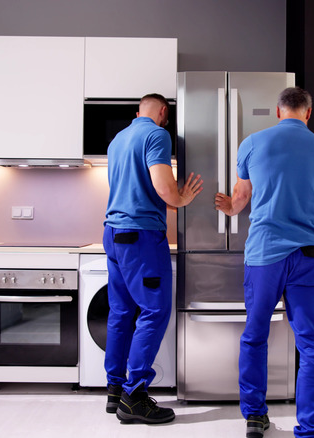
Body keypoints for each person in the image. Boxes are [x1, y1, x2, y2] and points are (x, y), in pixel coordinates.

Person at [215, 87, 314, 438]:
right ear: (308, 114)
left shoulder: (253, 143)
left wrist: (229, 207)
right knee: (312, 345)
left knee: (255, 335)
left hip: (265, 254)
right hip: (310, 256)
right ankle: (312, 429)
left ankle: (255, 417)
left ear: (279, 112)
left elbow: (241, 197)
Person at [104, 93, 203, 424]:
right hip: (141, 237)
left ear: (137, 112)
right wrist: (182, 198)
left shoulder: (119, 139)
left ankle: (115, 389)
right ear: (163, 112)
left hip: (114, 233)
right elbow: (163, 187)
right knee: (155, 310)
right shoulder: (156, 135)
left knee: (121, 312)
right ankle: (134, 396)